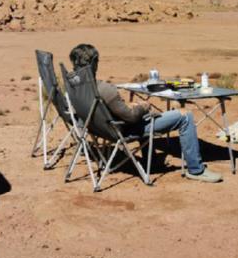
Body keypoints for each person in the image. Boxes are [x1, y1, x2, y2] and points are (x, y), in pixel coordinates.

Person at [69, 44, 223, 183]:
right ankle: (196, 169)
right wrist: (143, 107)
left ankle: (152, 160)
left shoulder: (74, 88)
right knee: (186, 116)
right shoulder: (105, 89)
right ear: (94, 63)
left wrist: (130, 108)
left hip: (99, 129)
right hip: (124, 130)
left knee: (140, 113)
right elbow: (131, 117)